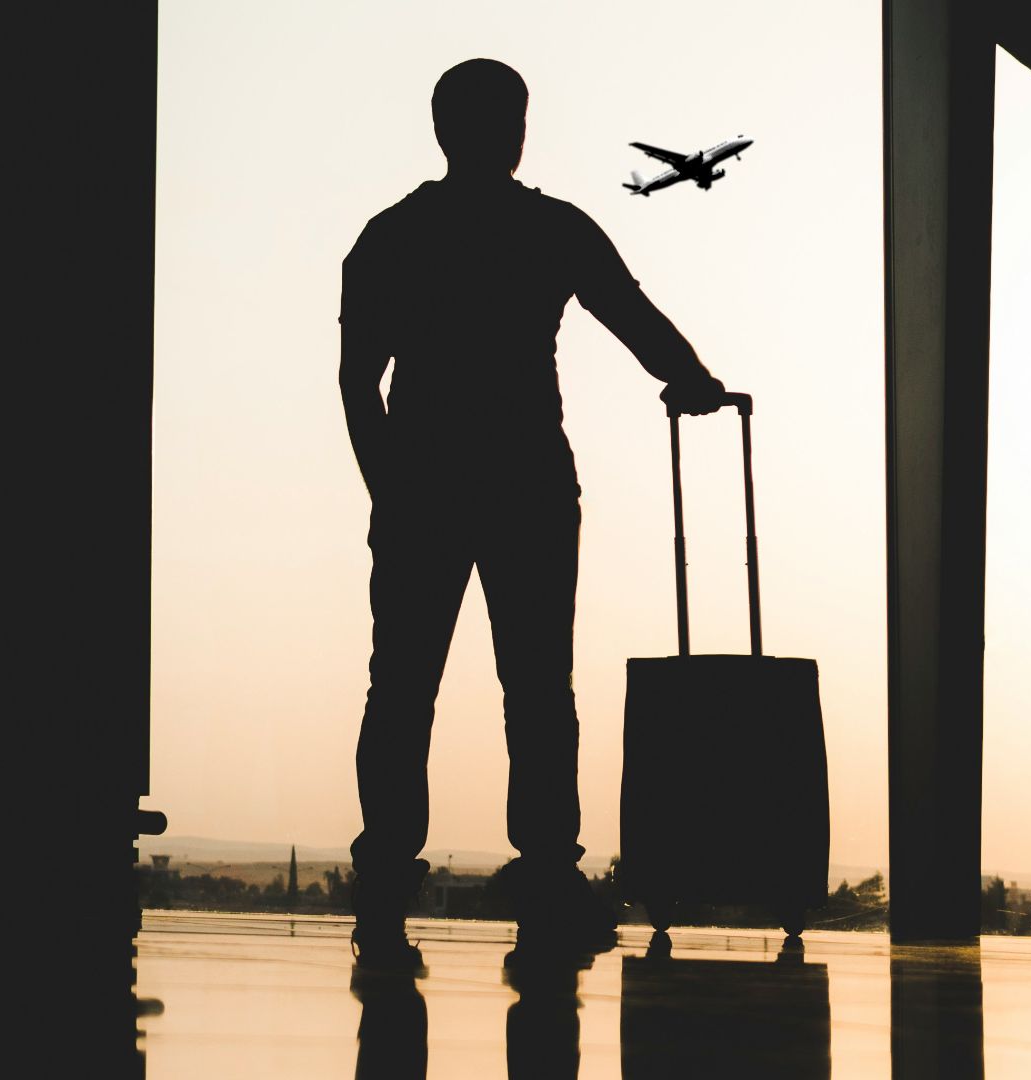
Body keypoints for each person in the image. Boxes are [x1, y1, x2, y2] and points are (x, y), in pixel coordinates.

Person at [339, 58, 728, 968]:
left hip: (425, 482)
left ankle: (387, 883)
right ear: (516, 130)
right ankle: (548, 875)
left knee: (401, 691)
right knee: (540, 693)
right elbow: (628, 313)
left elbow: (361, 383)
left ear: (441, 131)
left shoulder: (391, 237)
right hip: (527, 482)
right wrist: (694, 380)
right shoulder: (549, 228)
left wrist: (387, 490)